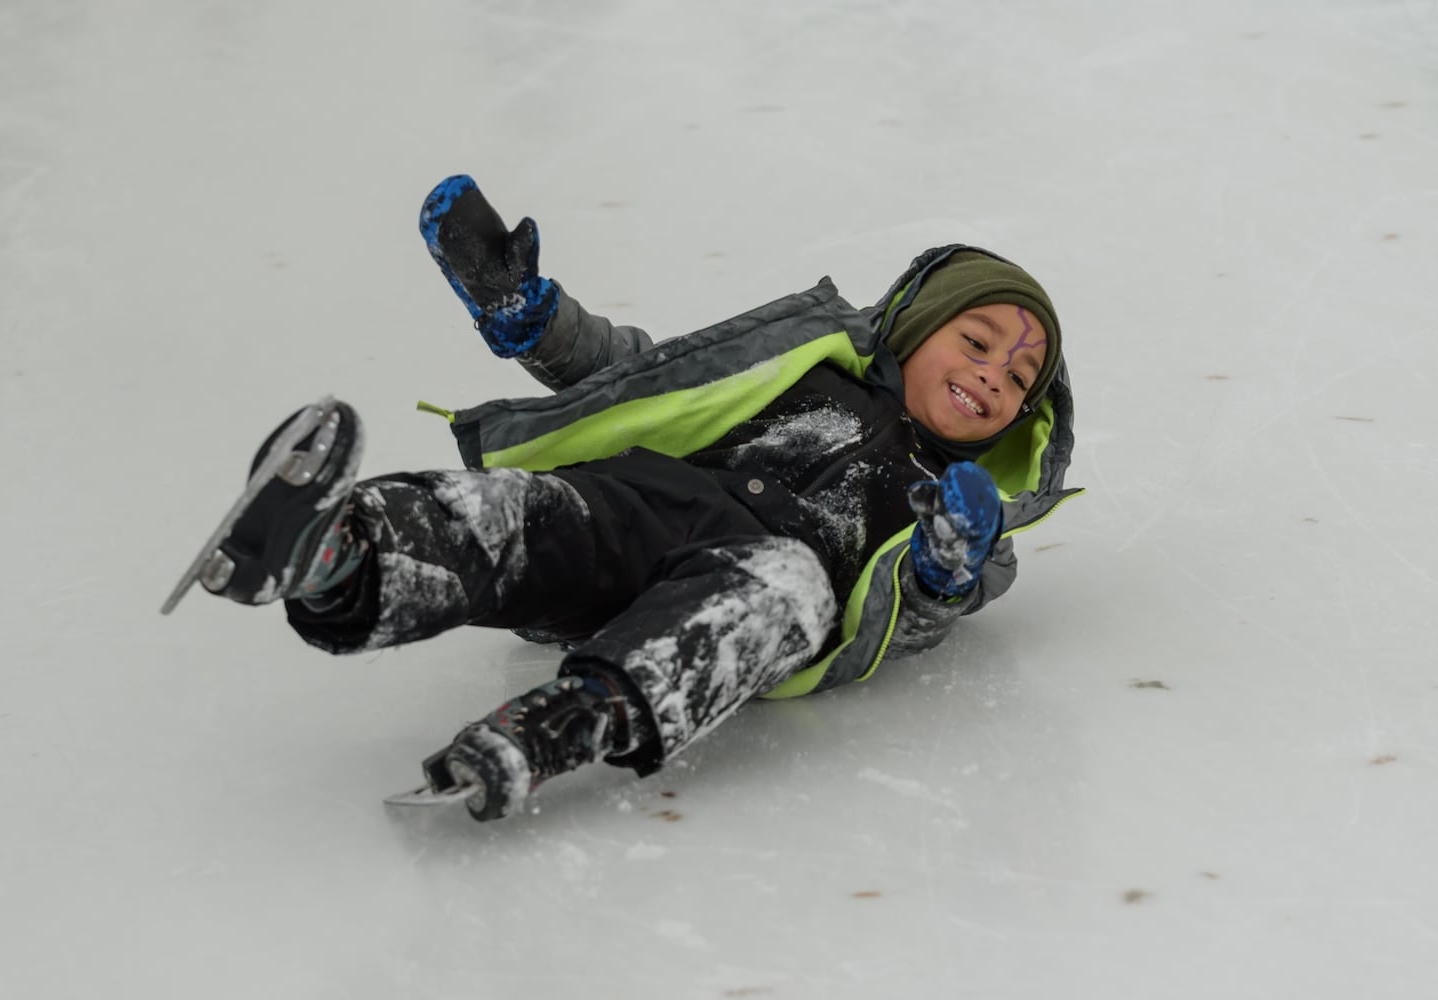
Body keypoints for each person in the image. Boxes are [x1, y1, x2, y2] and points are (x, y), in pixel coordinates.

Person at [190, 175, 1081, 821]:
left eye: (1018, 380)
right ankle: (339, 556)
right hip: (648, 505)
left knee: (788, 584)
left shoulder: (966, 514)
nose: (991, 376)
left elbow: (908, 624)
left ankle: (575, 718)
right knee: (519, 515)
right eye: (977, 342)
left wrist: (944, 566)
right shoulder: (807, 363)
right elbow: (643, 375)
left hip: (750, 589)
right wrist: (533, 319)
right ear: (915, 325)